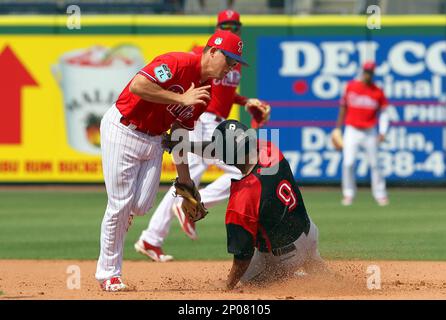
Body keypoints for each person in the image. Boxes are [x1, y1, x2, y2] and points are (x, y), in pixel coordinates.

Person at [95, 29, 247, 292]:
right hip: (123, 128)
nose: (231, 67)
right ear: (212, 51)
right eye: (229, 59)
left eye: (236, 63)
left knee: (141, 206)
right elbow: (138, 86)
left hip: (154, 139)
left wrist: (186, 182)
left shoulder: (204, 94)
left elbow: (178, 134)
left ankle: (122, 219)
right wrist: (179, 97)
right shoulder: (177, 63)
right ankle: (109, 273)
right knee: (120, 204)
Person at [135, 9, 270, 262]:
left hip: (215, 119)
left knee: (191, 177)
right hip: (200, 117)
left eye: (235, 26)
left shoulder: (233, 62)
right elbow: (190, 75)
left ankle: (151, 237)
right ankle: (193, 205)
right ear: (217, 29)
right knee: (242, 169)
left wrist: (246, 101)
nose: (231, 29)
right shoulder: (205, 52)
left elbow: (226, 93)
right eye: (225, 25)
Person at [205, 120, 326, 289]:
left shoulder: (243, 198)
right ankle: (328, 278)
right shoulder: (270, 150)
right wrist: (183, 146)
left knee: (247, 280)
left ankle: (301, 282)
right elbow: (228, 146)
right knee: (319, 269)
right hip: (310, 233)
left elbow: (242, 257)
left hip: (286, 257)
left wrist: (228, 285)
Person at [335, 61, 390, 207]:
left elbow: (384, 113)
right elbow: (343, 107)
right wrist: (337, 128)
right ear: (362, 72)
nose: (368, 74)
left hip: (369, 132)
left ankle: (380, 194)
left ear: (373, 73)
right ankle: (348, 194)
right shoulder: (351, 86)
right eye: (366, 71)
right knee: (348, 163)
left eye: (370, 72)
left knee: (375, 164)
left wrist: (383, 131)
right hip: (352, 130)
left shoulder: (377, 91)